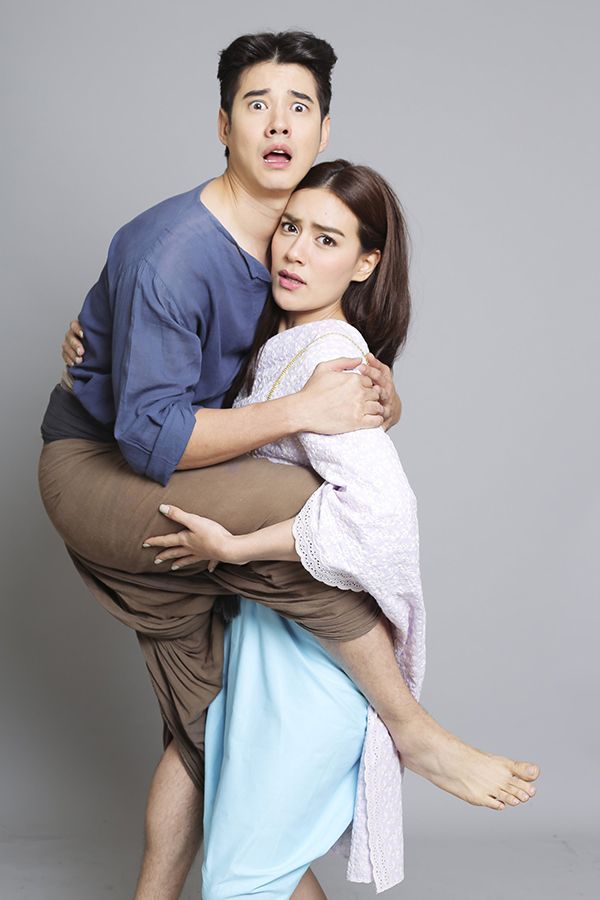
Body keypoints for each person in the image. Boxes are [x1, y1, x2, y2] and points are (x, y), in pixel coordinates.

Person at [41, 30, 436, 900]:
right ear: (224, 124)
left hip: (174, 462)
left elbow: (310, 349)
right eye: (257, 104)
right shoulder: (174, 250)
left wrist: (379, 394)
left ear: (325, 128)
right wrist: (304, 411)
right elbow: (151, 437)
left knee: (209, 721)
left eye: (299, 106)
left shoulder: (291, 239)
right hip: (100, 466)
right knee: (305, 507)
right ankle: (410, 725)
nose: (278, 124)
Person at [139, 160, 540, 898]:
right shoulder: (282, 344)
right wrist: (94, 341)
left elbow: (381, 520)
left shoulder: (328, 356)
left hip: (310, 667)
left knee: (245, 877)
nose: (295, 251)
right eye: (290, 227)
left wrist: (239, 546)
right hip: (267, 645)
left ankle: (420, 736)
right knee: (265, 871)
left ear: (365, 263)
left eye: (327, 239)